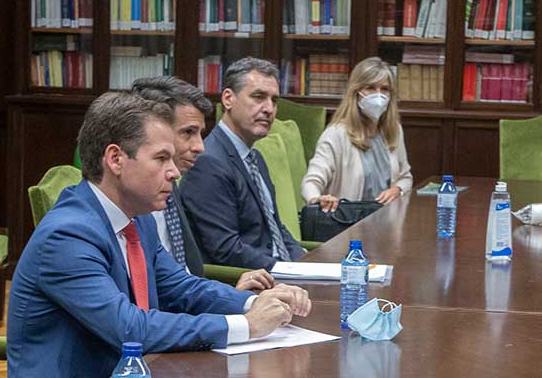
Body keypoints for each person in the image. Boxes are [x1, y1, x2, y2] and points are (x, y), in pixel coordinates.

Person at [2, 92, 311, 378]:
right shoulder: (68, 235)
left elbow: (181, 287)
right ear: (116, 159)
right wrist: (247, 325)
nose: (174, 172)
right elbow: (129, 329)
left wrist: (256, 301)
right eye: (161, 158)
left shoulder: (137, 218)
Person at [129, 75, 274, 292]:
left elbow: (183, 278)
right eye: (188, 132)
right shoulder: (132, 204)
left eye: (199, 134)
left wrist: (231, 296)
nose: (200, 147)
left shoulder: (170, 184)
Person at [178, 57, 307, 270]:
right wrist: (288, 270)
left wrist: (307, 263)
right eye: (258, 97)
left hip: (278, 272)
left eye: (274, 100)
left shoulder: (255, 158)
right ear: (228, 99)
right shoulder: (209, 162)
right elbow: (226, 248)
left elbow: (275, 226)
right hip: (245, 281)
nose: (268, 109)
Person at [301, 56, 413, 214]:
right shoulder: (335, 134)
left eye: (385, 89)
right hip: (348, 224)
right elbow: (311, 181)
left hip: (388, 222)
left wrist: (397, 190)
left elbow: (406, 177)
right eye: (371, 88)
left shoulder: (394, 131)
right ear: (356, 92)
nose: (378, 95)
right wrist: (317, 199)